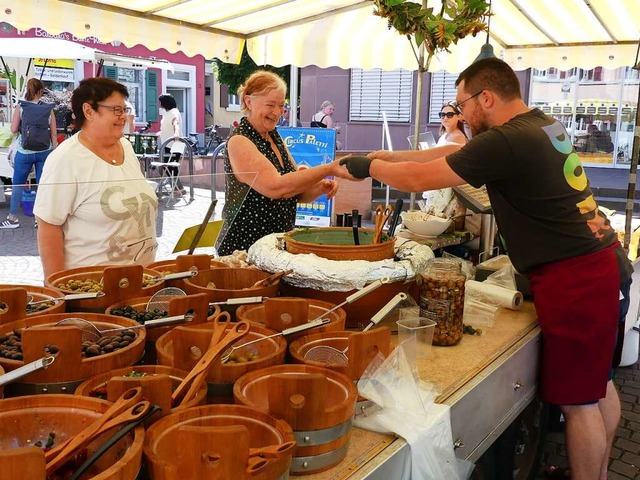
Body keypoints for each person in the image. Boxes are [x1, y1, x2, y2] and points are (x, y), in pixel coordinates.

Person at [339, 57, 633, 480]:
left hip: (575, 277)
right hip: (601, 262)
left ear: (486, 97)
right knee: (599, 385)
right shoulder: (540, 123)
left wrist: (367, 167)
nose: (460, 115)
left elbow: (422, 180)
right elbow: (451, 152)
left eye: (462, 105)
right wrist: (383, 154)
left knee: (579, 402)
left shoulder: (507, 140)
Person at [34, 77, 158, 278]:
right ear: (88, 111)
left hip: (142, 281)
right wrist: (57, 286)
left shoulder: (126, 147)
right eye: (116, 110)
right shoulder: (65, 159)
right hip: (93, 291)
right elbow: (48, 226)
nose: (124, 117)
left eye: (124, 110)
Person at [216, 70, 348, 256]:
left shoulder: (273, 136)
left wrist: (320, 187)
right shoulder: (239, 140)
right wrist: (328, 168)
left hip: (273, 246)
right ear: (248, 102)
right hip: (243, 249)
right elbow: (277, 188)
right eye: (270, 104)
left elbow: (295, 193)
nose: (278, 112)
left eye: (281, 105)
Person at [1, 78, 57, 229]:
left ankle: (13, 218)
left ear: (28, 89)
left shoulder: (22, 107)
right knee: (42, 185)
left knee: (18, 184)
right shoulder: (48, 109)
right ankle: (39, 220)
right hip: (44, 151)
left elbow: (13, 129)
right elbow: (53, 134)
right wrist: (54, 150)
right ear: (40, 91)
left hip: (24, 151)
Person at [157, 93, 185, 196]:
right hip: (168, 145)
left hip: (174, 145)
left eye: (160, 102)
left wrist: (176, 133)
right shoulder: (168, 113)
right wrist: (160, 133)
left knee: (169, 166)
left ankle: (178, 189)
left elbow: (175, 123)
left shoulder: (173, 112)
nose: (159, 104)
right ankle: (179, 188)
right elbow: (167, 126)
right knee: (170, 167)